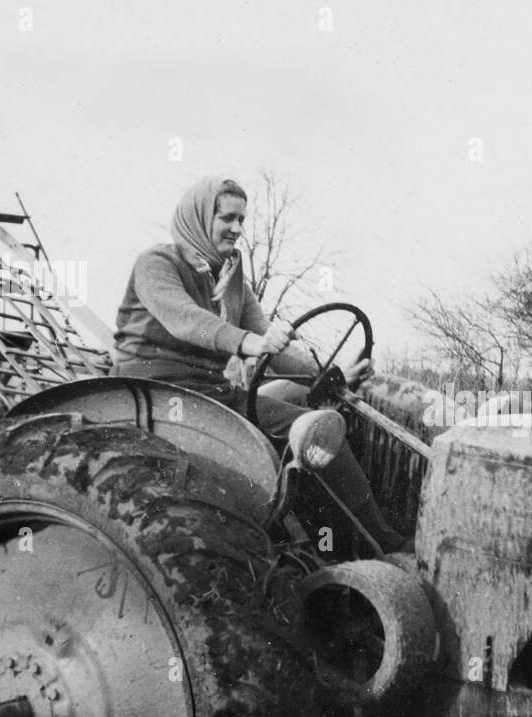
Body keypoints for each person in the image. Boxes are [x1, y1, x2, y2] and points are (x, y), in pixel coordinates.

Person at [111, 176, 406, 553]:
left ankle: (334, 545)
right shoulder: (156, 264)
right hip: (155, 394)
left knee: (313, 421)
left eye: (242, 221)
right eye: (227, 218)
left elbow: (270, 344)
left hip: (210, 393)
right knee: (315, 431)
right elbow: (185, 319)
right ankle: (379, 543)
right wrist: (249, 342)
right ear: (199, 217)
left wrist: (329, 375)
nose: (237, 230)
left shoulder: (230, 277)